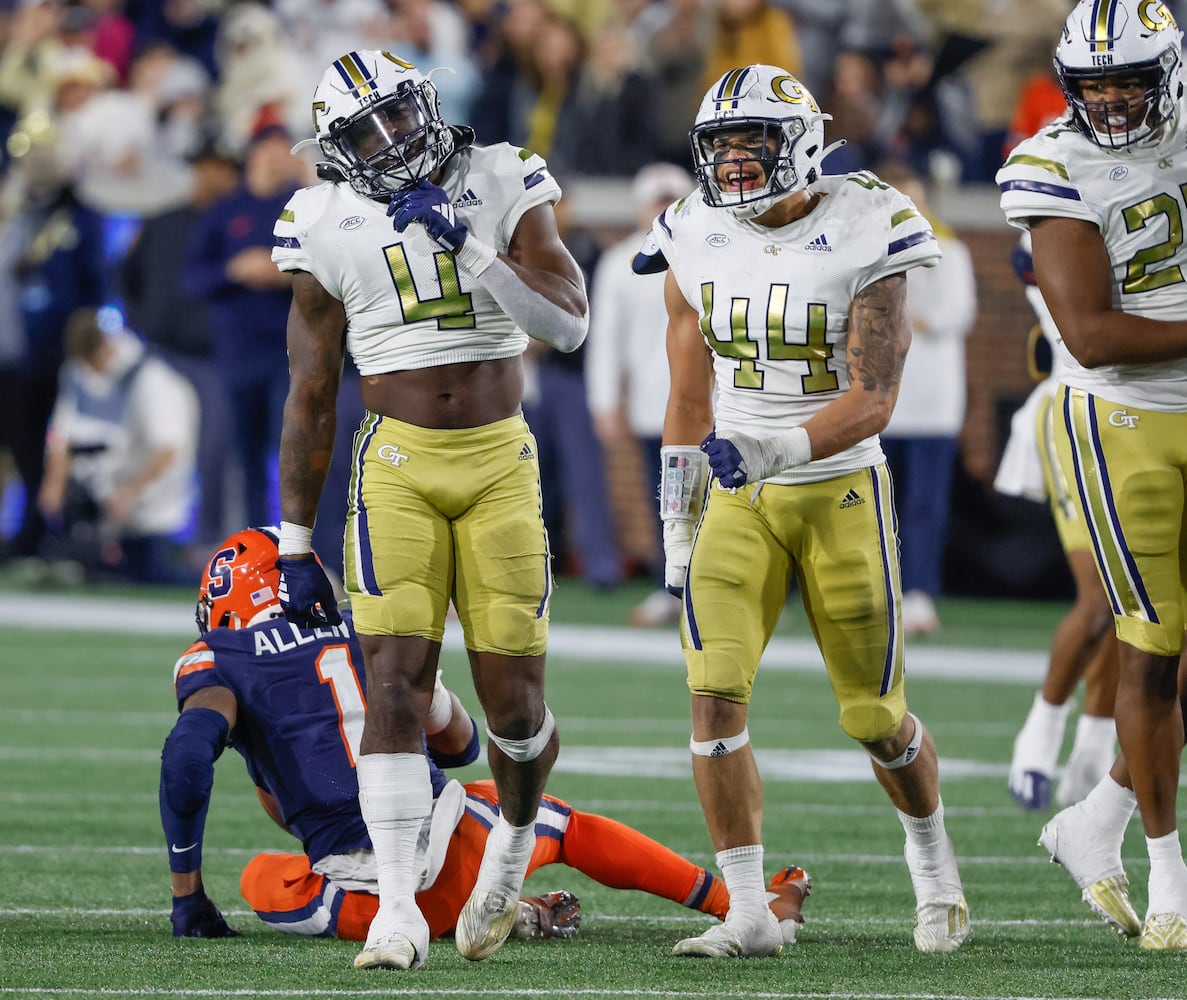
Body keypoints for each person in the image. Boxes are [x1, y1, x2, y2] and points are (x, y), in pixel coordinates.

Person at [636, 63, 970, 958]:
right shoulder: (692, 229)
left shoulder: (872, 221)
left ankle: (932, 864)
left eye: (752, 142)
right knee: (711, 699)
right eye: (720, 145)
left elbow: (871, 398)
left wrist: (770, 450)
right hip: (736, 497)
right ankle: (747, 910)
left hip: (837, 488)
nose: (734, 163)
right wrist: (676, 518)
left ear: (804, 145)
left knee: (873, 716)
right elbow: (684, 401)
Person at [270, 50, 588, 971]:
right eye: (364, 133)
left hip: (497, 459)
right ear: (336, 151)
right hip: (397, 463)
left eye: (398, 117)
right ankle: (399, 908)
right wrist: (295, 539)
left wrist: (468, 243)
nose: (391, 141)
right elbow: (310, 394)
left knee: (513, 706)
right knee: (394, 679)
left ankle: (513, 845)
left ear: (428, 104)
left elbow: (566, 323)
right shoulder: (320, 221)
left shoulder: (500, 177)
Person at [160, 526, 812, 946]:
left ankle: (488, 912)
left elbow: (188, 759)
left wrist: (187, 898)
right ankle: (739, 900)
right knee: (557, 822)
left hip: (377, 899)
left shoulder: (217, 657)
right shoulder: (372, 625)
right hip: (460, 847)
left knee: (260, 875)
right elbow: (461, 744)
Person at [996, 0, 1187, 950]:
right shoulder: (1053, 162)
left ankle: (1093, 821)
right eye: (1093, 85)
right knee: (1148, 651)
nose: (1109, 102)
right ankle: (1169, 877)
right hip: (1124, 418)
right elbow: (1094, 334)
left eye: (1128, 81)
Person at [996, 234, 1118, 812]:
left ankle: (1094, 750)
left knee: (1143, 611)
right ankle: (1039, 737)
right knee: (1099, 601)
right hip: (1084, 410)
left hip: (1155, 411)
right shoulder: (1073, 197)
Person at [585, 162, 697, 627]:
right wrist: (604, 401)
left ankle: (716, 588)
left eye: (673, 197)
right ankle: (668, 586)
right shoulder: (621, 262)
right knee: (667, 502)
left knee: (720, 497)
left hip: (718, 401)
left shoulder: (715, 250)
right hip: (657, 404)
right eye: (657, 198)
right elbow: (605, 337)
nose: (665, 207)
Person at [875, 159, 977, 638]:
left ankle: (919, 593)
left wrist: (901, 316)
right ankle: (878, 591)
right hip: (878, 402)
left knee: (924, 504)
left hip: (934, 401)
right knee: (874, 502)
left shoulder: (950, 251)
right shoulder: (870, 252)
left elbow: (955, 314)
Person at [36, 308, 198, 584]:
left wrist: (130, 491)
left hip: (149, 513)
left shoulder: (152, 378)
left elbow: (170, 450)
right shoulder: (77, 372)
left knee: (153, 576)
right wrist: (54, 481)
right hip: (102, 512)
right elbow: (62, 434)